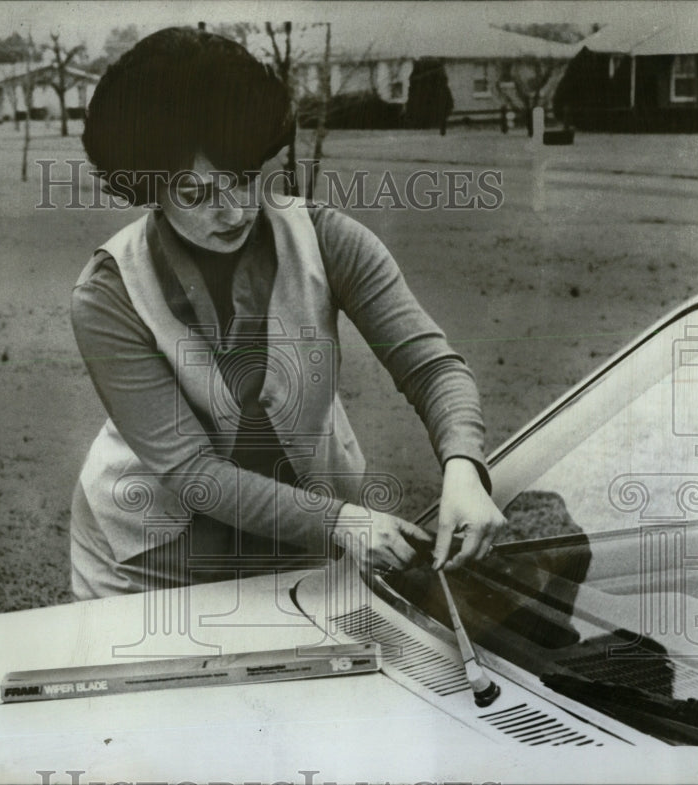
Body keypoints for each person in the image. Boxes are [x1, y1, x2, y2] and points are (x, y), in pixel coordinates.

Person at [69, 26, 505, 600]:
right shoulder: (107, 294)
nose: (235, 210)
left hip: (308, 540)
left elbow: (431, 367)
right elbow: (192, 476)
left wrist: (464, 468)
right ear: (147, 189)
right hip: (151, 558)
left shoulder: (329, 239)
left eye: (248, 177)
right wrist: (341, 522)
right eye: (196, 195)